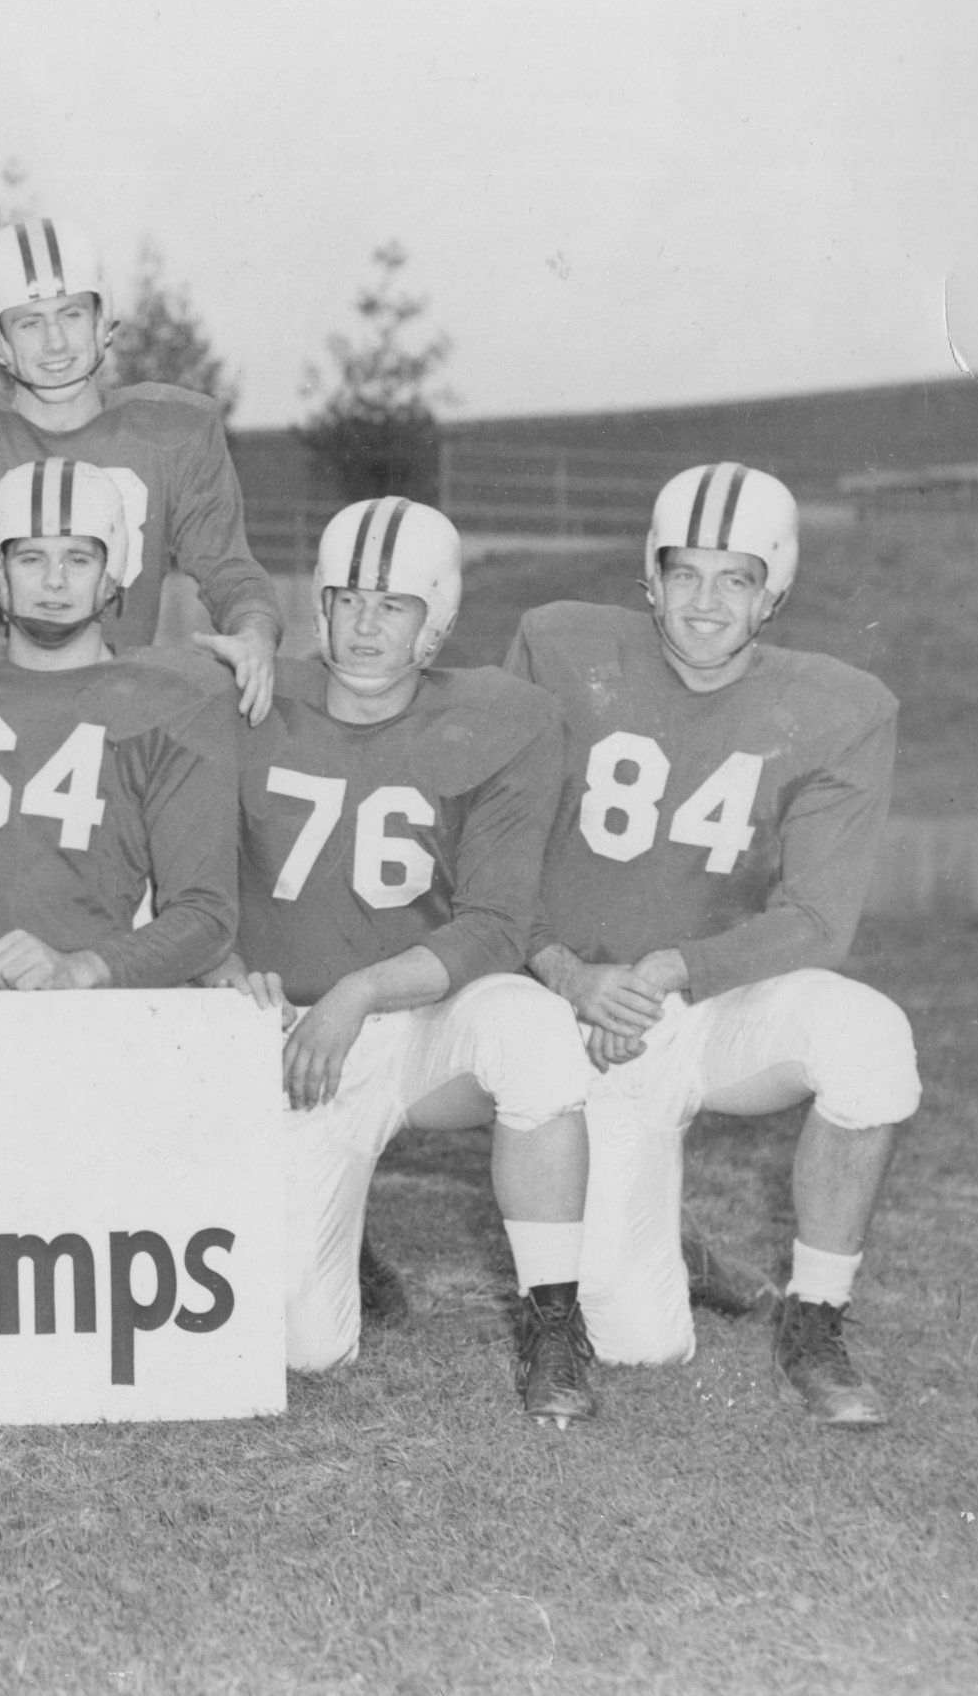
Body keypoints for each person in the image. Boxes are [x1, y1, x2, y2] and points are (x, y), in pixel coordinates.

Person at [510, 463, 916, 1424]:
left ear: (773, 590)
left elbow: (819, 918)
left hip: (706, 1005)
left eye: (733, 577)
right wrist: (569, 974)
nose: (703, 601)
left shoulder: (840, 706)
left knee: (872, 1039)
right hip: (580, 1007)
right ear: (648, 576)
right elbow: (489, 850)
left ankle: (815, 1317)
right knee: (639, 1342)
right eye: (683, 573)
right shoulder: (558, 647)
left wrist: (674, 970)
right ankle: (676, 1247)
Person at [203, 497, 598, 1424]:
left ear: (439, 623)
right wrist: (219, 953)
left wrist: (364, 988)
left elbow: (498, 923)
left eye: (394, 605)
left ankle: (555, 1321)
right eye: (347, 599)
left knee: (533, 1028)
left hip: (417, 1019)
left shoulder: (505, 718)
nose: (366, 624)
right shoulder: (248, 701)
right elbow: (173, 855)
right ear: (319, 607)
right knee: (306, 1347)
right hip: (294, 1038)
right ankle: (348, 1231)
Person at [0, 217, 280, 724]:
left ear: (102, 318)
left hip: (114, 714)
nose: (56, 344)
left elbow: (231, 571)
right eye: (29, 323)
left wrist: (254, 631)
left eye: (70, 314)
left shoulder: (173, 433)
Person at [0, 457, 238, 991]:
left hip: (89, 1016)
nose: (54, 581)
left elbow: (207, 916)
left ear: (110, 575)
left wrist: (82, 968)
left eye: (78, 558)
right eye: (31, 558)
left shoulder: (167, 702)